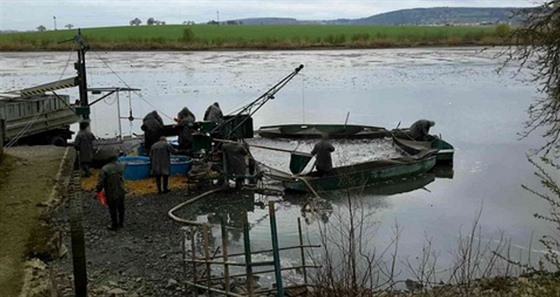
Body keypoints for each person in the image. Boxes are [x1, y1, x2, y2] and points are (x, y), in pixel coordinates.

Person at [96, 153, 126, 231]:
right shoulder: (121, 166)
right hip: (121, 190)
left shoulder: (105, 168)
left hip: (111, 191)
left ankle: (114, 225)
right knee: (121, 207)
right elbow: (126, 164)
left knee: (112, 209)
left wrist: (98, 190)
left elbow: (101, 182)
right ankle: (121, 223)